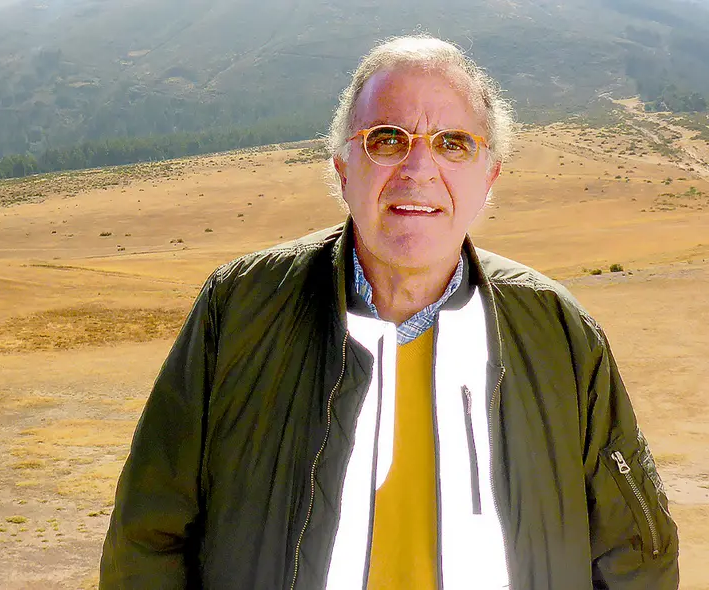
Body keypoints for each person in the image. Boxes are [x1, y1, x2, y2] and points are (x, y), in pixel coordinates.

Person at [99, 35, 680, 589]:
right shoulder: (238, 310)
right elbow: (148, 538)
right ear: (342, 166)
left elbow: (637, 556)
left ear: (489, 176)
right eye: (386, 139)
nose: (418, 169)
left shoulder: (560, 333)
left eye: (453, 143)